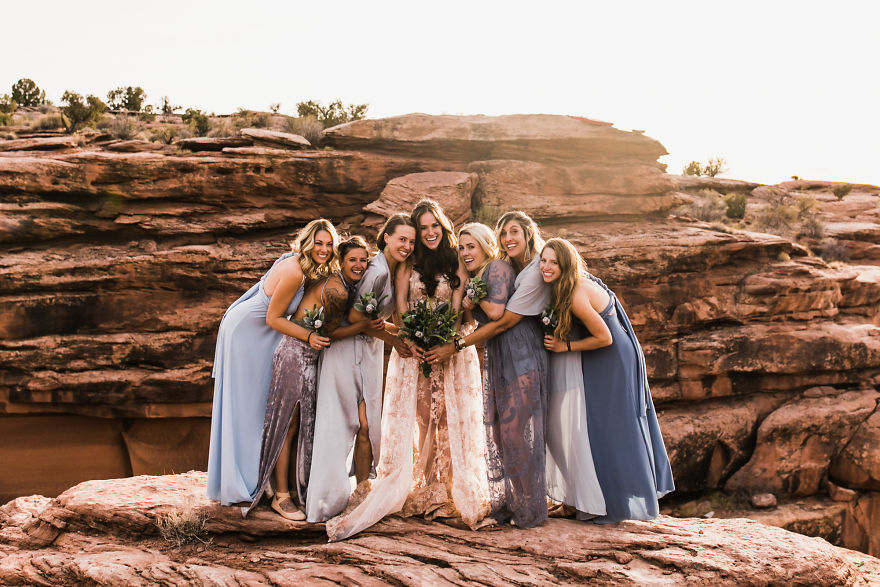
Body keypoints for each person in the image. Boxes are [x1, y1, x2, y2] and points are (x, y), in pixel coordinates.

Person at [325, 199, 489, 541]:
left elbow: (459, 309)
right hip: (413, 350)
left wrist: (444, 342)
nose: (429, 233)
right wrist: (411, 340)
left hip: (449, 347)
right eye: (422, 228)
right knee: (421, 415)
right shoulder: (407, 263)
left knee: (448, 416)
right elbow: (399, 309)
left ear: (442, 227)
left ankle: (447, 488)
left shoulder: (455, 258)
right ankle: (423, 484)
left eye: (434, 226)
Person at [427, 211, 550, 528]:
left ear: (485, 246)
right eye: (462, 248)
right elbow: (471, 318)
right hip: (499, 353)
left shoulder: (496, 268)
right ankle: (515, 500)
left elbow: (496, 313)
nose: (466, 253)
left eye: (472, 247)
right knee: (498, 431)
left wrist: (472, 298)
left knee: (513, 430)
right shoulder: (479, 275)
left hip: (520, 349)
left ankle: (531, 506)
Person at [540, 238, 674, 523]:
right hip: (609, 357)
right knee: (607, 427)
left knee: (614, 428)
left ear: (566, 265)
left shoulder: (576, 293)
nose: (546, 267)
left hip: (610, 359)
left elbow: (605, 337)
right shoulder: (577, 281)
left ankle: (621, 504)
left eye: (554, 262)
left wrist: (565, 347)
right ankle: (612, 499)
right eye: (543, 260)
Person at [207, 219, 339, 505]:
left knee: (260, 404)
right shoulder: (294, 272)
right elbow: (273, 318)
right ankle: (242, 480)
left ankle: (257, 475)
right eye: (318, 243)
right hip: (247, 334)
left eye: (329, 244)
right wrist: (309, 337)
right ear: (307, 243)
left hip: (264, 335)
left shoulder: (306, 267)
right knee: (247, 405)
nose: (324, 249)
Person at [246, 236, 371, 520]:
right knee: (288, 425)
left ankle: (292, 488)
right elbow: (332, 333)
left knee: (304, 425)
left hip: (309, 358)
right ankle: (281, 497)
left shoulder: (333, 278)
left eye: (364, 260)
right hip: (295, 355)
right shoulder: (336, 289)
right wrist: (366, 325)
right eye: (352, 260)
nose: (359, 265)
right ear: (342, 260)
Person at [305, 215, 417, 523]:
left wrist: (400, 333)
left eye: (411, 241)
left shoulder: (389, 270)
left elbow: (374, 322)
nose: (406, 246)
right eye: (401, 239)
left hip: (368, 348)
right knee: (345, 423)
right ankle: (328, 498)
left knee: (367, 425)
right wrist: (395, 339)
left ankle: (362, 490)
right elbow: (357, 321)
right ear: (387, 238)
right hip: (348, 349)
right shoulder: (377, 270)